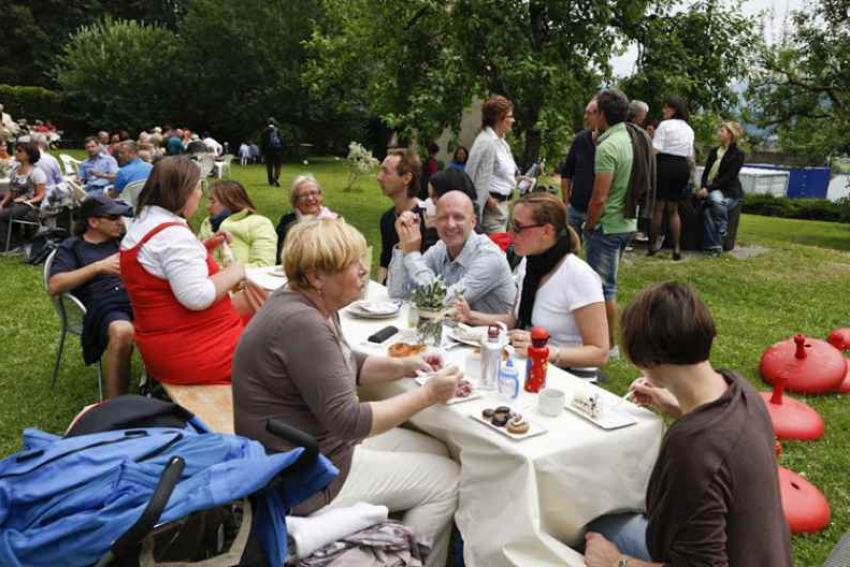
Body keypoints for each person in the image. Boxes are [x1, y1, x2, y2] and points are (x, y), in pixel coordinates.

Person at [232, 218, 461, 567]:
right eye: (351, 264)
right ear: (315, 277)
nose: (363, 270)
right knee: (447, 479)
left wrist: (405, 364)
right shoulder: (302, 323)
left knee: (439, 447)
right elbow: (351, 422)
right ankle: (406, 557)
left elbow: (346, 362)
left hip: (306, 450)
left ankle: (386, 535)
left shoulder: (307, 304)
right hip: (304, 478)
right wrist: (428, 394)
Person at [583, 282, 792, 567]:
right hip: (765, 554)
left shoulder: (692, 449)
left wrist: (618, 562)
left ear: (645, 357)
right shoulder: (740, 390)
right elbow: (719, 440)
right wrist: (674, 405)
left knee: (591, 530)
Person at [120, 156, 264, 385]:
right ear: (183, 192)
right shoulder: (172, 235)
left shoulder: (145, 223)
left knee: (263, 313)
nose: (199, 194)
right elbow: (197, 296)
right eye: (198, 187)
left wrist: (206, 246)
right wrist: (237, 271)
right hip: (198, 355)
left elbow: (165, 268)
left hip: (169, 344)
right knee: (279, 333)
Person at [454, 192, 609, 374]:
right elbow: (515, 320)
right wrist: (470, 316)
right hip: (526, 367)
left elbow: (600, 353)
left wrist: (546, 351)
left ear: (547, 231)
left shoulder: (579, 275)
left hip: (567, 376)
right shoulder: (529, 262)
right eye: (511, 225)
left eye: (518, 228)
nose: (510, 234)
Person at [49, 196, 135, 398]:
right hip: (102, 305)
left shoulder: (123, 242)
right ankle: (115, 406)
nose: (120, 222)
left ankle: (162, 388)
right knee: (122, 331)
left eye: (120, 217)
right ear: (93, 222)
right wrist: (98, 267)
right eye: (113, 217)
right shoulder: (72, 247)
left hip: (134, 298)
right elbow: (55, 285)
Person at [387, 190, 515, 314]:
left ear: (473, 222)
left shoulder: (490, 258)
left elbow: (440, 302)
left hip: (494, 334)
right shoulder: (441, 247)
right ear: (435, 222)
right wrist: (404, 246)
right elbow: (398, 293)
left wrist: (412, 255)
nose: (450, 224)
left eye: (458, 217)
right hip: (454, 331)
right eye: (443, 218)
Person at [584, 89, 636, 360]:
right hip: (626, 223)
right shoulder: (628, 137)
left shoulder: (608, 146)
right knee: (607, 286)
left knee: (603, 289)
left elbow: (599, 197)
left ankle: (609, 346)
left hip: (608, 226)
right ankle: (607, 342)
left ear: (602, 114)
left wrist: (589, 225)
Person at [648, 96, 694, 261]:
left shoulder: (665, 125)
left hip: (665, 165)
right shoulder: (689, 129)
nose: (663, 110)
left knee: (658, 208)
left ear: (673, 109)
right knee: (673, 209)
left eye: (666, 108)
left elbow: (656, 149)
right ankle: (676, 248)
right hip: (682, 167)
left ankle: (653, 246)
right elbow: (690, 156)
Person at [465, 95, 519, 233]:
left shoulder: (502, 142)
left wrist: (520, 180)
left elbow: (502, 175)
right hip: (491, 212)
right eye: (510, 116)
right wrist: (489, 201)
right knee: (498, 252)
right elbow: (469, 177)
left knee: (504, 250)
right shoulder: (485, 142)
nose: (513, 120)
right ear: (498, 118)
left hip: (504, 208)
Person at [376, 148, 429, 285]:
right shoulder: (387, 218)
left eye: (386, 172)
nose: (379, 177)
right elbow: (385, 263)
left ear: (406, 178)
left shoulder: (427, 217)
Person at [198, 180, 277, 268]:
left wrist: (222, 272)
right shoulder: (207, 224)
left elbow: (264, 266)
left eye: (213, 201)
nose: (207, 206)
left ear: (230, 202)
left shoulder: (259, 223)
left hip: (242, 280)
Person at [699, 121, 745, 257]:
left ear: (731, 134)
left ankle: (720, 229)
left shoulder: (738, 154)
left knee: (714, 200)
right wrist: (703, 187)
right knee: (709, 210)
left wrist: (708, 190)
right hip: (713, 189)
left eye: (722, 131)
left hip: (730, 192)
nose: (719, 133)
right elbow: (706, 173)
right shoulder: (714, 152)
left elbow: (729, 178)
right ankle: (715, 247)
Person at [560, 98, 599, 243]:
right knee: (567, 250)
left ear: (600, 115)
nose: (585, 117)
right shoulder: (580, 139)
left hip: (599, 212)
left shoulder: (611, 143)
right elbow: (566, 173)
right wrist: (566, 203)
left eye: (589, 113)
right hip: (575, 209)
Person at [275, 174, 338, 263]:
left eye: (313, 193)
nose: (310, 198)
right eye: (303, 195)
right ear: (295, 201)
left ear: (320, 196)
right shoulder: (287, 223)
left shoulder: (335, 221)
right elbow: (280, 257)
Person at [0, 141, 46, 251]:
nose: (16, 152)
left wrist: (28, 201)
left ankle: (10, 246)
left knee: (1, 215)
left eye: (20, 151)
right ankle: (13, 242)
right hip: (14, 204)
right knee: (3, 212)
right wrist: (2, 203)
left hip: (29, 207)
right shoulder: (15, 170)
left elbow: (41, 195)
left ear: (29, 155)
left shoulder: (36, 172)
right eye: (16, 150)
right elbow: (11, 191)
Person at [260, 118, 284, 187]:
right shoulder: (277, 131)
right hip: (277, 151)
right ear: (274, 123)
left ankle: (270, 181)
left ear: (268, 123)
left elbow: (262, 144)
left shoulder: (264, 131)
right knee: (278, 166)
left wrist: (262, 153)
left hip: (268, 152)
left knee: (269, 167)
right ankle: (276, 178)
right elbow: (281, 141)